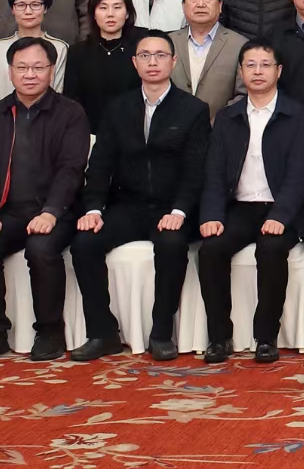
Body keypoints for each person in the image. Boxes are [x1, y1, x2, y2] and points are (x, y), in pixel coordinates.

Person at [68, 31, 209, 362]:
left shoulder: (193, 109)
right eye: (145, 56)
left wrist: (180, 211)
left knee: (171, 244)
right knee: (84, 242)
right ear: (134, 63)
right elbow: (100, 163)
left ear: (173, 62)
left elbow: (196, 170)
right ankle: (102, 332)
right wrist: (94, 209)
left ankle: (161, 333)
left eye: (160, 55)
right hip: (128, 205)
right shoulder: (118, 108)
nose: (152, 62)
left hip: (172, 207)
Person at [0, 38, 91, 363]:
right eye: (22, 67)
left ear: (52, 70)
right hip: (8, 212)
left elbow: (71, 169)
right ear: (9, 71)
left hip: (56, 211)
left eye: (38, 67)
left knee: (41, 248)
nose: (30, 74)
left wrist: (51, 212)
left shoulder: (71, 113)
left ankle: (50, 330)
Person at [197, 39, 304, 364]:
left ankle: (266, 337)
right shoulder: (227, 117)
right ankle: (219, 337)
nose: (258, 71)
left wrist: (280, 215)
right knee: (210, 249)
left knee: (271, 248)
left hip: (282, 210)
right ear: (241, 71)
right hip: (240, 209)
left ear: (279, 71)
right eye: (250, 65)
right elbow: (214, 173)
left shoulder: (297, 115)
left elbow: (300, 174)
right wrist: (211, 214)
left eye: (265, 65)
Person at [64, 0, 147, 135]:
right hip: (90, 135)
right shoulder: (78, 52)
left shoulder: (143, 45)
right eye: (103, 8)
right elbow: (71, 100)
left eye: (117, 7)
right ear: (94, 14)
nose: (110, 14)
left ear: (127, 13)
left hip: (136, 134)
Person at [171, 0, 248, 119]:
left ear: (220, 5)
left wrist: (219, 123)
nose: (201, 4)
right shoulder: (168, 43)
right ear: (183, 6)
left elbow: (244, 94)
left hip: (220, 128)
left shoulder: (239, 45)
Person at [0, 0, 69, 106]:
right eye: (21, 5)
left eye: (35, 5)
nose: (28, 11)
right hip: (3, 116)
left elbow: (59, 93)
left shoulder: (60, 48)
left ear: (45, 8)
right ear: (13, 9)